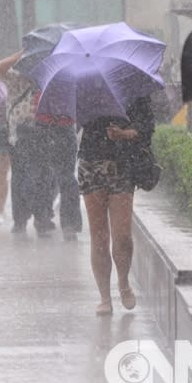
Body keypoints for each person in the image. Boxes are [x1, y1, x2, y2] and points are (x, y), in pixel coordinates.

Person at [78, 95, 154, 316]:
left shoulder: (133, 88)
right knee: (99, 236)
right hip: (90, 164)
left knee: (122, 236)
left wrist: (125, 133)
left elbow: (147, 126)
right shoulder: (83, 85)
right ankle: (104, 296)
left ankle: (123, 282)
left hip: (122, 165)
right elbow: (75, 120)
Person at [0, 50, 53, 236]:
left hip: (44, 133)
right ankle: (21, 219)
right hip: (20, 135)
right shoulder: (16, 77)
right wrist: (22, 53)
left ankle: (41, 218)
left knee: (42, 177)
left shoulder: (49, 78)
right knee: (21, 178)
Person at [34, 101, 82, 241]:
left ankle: (43, 218)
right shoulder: (73, 84)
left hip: (49, 129)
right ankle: (68, 224)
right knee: (64, 178)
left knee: (45, 176)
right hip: (64, 128)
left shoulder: (41, 83)